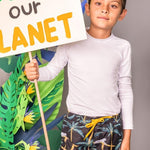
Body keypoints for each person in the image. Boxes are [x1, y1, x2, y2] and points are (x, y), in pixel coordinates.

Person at [25, 0, 133, 149]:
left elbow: (126, 90)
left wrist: (127, 137)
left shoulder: (123, 47)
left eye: (113, 5)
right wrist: (35, 73)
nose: (105, 10)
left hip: (110, 126)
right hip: (76, 125)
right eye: (98, 3)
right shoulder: (72, 40)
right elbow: (51, 71)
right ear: (87, 8)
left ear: (122, 14)